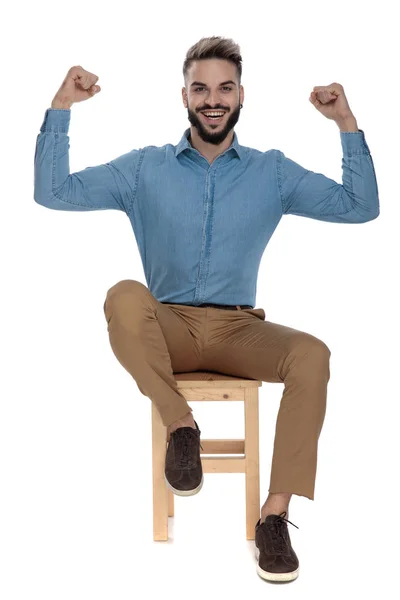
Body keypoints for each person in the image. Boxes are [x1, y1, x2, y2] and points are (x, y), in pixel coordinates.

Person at [33, 36, 380, 583]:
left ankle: (275, 514)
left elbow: (361, 208)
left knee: (311, 354)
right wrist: (62, 106)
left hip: (239, 329)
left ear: (242, 95)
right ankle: (181, 426)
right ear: (184, 96)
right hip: (164, 327)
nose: (212, 99)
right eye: (201, 88)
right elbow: (53, 191)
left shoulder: (272, 172)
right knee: (124, 294)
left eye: (224, 88)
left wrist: (345, 123)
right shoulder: (144, 167)